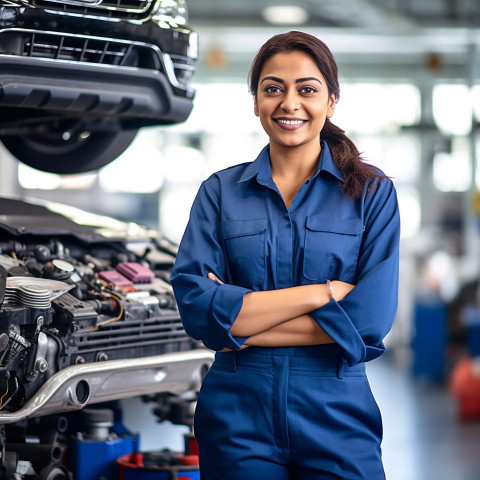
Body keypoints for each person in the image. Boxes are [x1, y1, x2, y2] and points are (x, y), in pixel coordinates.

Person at [170, 30, 400, 480]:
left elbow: (368, 322)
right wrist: (325, 294)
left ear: (331, 101)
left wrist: (241, 322)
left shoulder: (372, 194)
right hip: (237, 415)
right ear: (255, 101)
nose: (289, 103)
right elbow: (199, 311)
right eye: (273, 88)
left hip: (337, 412)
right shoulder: (219, 193)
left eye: (307, 89)